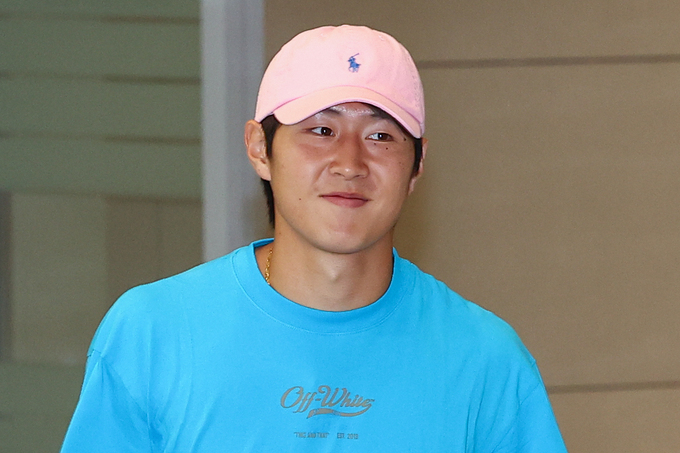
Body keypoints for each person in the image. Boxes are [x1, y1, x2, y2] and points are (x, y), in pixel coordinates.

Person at [61, 25, 568, 452]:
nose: (349, 163)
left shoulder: (486, 360)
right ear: (259, 148)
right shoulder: (154, 333)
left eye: (381, 136)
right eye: (321, 131)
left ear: (417, 166)